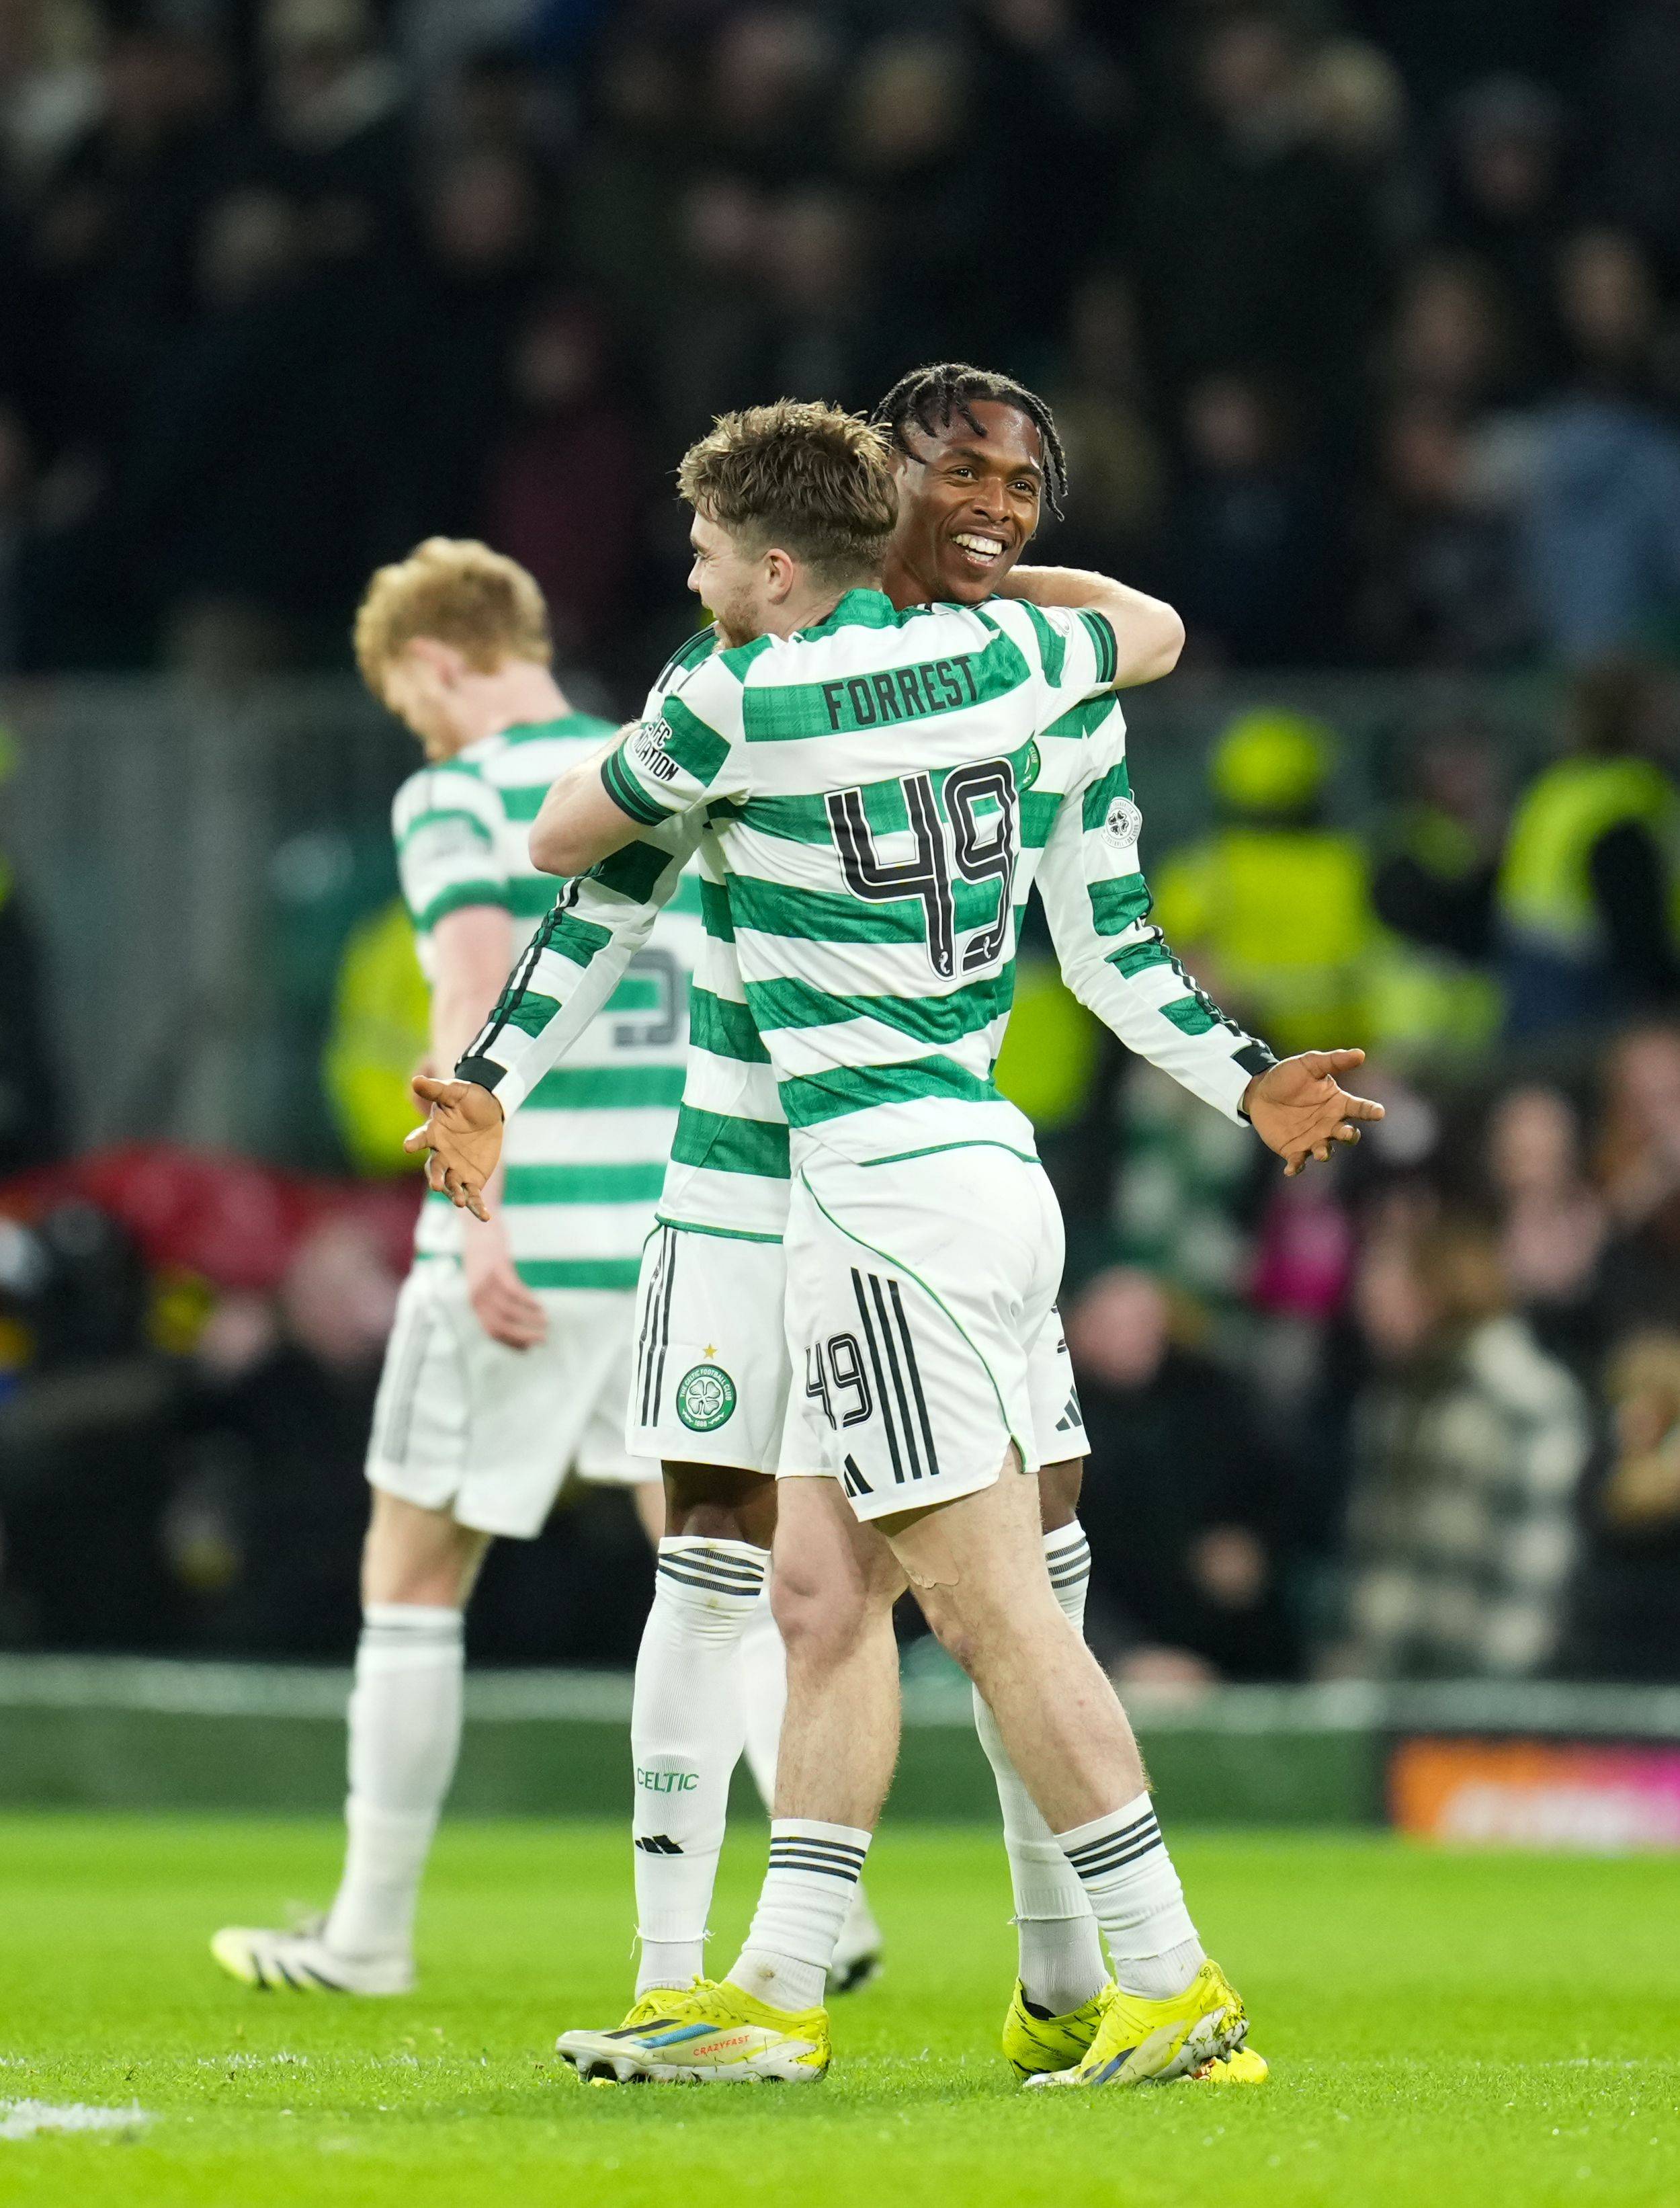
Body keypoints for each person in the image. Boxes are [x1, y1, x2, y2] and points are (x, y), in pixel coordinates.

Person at [409, 399, 1380, 2086]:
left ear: (775, 558)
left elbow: (573, 853)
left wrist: (490, 1067)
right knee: (821, 1591)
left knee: (999, 1601)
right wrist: (1241, 1078)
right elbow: (1141, 638)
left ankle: (1152, 1972)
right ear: (890, 498)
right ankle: (775, 1984)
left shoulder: (736, 692)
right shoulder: (1026, 670)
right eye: (967, 480)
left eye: (1023, 488)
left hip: (871, 1194)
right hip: (967, 1169)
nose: (995, 508)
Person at [210, 537, 724, 1993]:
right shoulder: (656, 757)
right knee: (709, 1567)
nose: (415, 736)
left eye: (409, 706)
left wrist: (471, 1208)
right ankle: (829, 1908)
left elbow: (475, 975)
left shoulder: (457, 790)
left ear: (435, 662)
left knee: (414, 1565)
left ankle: (368, 1931)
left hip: (528, 1223)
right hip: (680, 1234)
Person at [1495, 663, 1680, 1038]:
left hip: (1526, 979)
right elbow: (1634, 925)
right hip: (1594, 993)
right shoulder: (1629, 796)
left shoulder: (1554, 789)